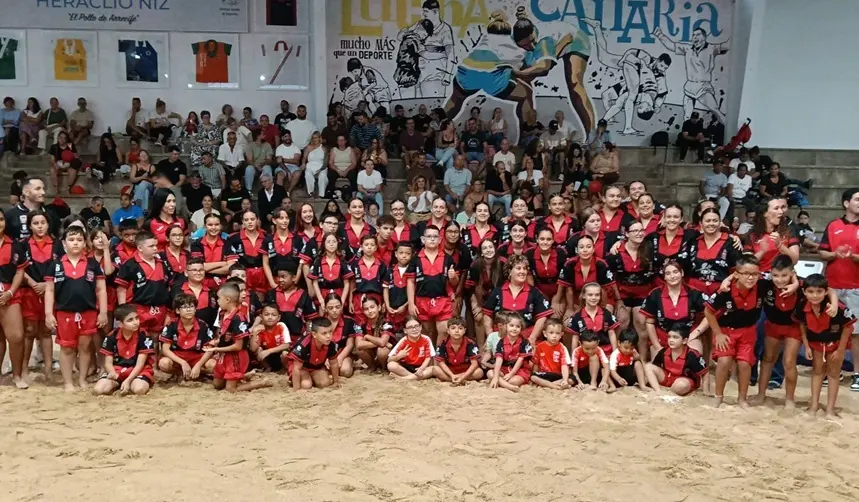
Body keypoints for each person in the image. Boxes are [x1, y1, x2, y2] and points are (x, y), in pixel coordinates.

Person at [44, 226, 108, 392]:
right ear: (64, 243)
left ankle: (82, 379)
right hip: (64, 312)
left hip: (89, 312)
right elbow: (49, 290)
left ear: (84, 243)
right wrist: (49, 313)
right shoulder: (56, 265)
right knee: (66, 348)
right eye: (71, 240)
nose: (75, 243)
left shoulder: (93, 264)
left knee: (85, 347)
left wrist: (103, 312)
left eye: (79, 240)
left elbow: (101, 289)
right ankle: (67, 382)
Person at [704, 254, 766, 408]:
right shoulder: (725, 290)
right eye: (746, 274)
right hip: (726, 331)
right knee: (724, 361)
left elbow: (788, 278)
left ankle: (742, 399)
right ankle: (718, 396)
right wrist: (718, 334)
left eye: (755, 274)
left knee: (745, 364)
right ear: (737, 274)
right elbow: (708, 311)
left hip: (748, 331)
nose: (751, 278)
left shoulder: (763, 286)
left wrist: (794, 285)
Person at [796, 274, 856, 417]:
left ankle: (830, 409)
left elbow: (848, 327)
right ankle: (814, 405)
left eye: (819, 292)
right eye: (810, 292)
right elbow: (801, 325)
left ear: (825, 291)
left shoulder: (837, 307)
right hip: (816, 343)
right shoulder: (802, 305)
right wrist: (807, 345)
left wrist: (841, 350)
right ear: (804, 292)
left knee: (833, 374)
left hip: (835, 343)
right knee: (817, 372)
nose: (815, 295)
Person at [818, 188, 859, 391]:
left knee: (856, 332)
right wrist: (835, 254)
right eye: (857, 199)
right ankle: (832, 370)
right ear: (846, 203)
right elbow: (822, 253)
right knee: (830, 331)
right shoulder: (833, 225)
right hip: (832, 286)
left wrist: (853, 257)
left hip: (855, 287)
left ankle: (857, 374)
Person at [209, 283, 269, 392]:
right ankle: (245, 376)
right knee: (217, 385)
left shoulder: (238, 318)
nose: (217, 301)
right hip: (225, 354)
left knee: (230, 389)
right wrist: (217, 342)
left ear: (227, 299)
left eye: (218, 298)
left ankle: (260, 383)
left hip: (236, 356)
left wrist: (217, 349)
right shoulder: (222, 313)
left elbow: (238, 346)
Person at [483, 254, 552, 346]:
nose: (522, 271)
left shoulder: (534, 292)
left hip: (525, 338)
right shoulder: (497, 291)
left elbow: (542, 317)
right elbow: (487, 315)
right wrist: (490, 337)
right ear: (509, 272)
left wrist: (532, 338)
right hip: (501, 339)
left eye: (525, 268)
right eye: (518, 268)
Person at [20, 212, 56, 382]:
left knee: (46, 331)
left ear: (48, 224)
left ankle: (48, 369)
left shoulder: (57, 245)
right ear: (30, 226)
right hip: (29, 292)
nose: (40, 226)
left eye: (43, 222)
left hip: (50, 292)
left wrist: (47, 285)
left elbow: (60, 268)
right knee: (29, 331)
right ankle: (24, 368)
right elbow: (19, 269)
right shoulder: (23, 245)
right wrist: (33, 283)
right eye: (36, 223)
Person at [116, 230, 172, 335]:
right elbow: (121, 290)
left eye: (156, 245)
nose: (155, 248)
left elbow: (168, 287)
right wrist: (124, 312)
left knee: (156, 338)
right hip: (138, 309)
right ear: (140, 248)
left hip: (160, 308)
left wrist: (168, 311)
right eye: (151, 246)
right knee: (139, 338)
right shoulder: (130, 265)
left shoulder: (162, 263)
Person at [408, 224, 458, 343]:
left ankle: (437, 359)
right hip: (422, 300)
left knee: (444, 330)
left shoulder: (448, 258)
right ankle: (429, 359)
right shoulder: (415, 259)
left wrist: (453, 277)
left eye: (435, 236)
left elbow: (454, 283)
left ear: (440, 239)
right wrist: (411, 303)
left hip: (443, 300)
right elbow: (410, 282)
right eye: (429, 236)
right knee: (427, 332)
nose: (432, 239)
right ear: (423, 239)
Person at [92, 304, 154, 396]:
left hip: (138, 370)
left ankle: (129, 383)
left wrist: (128, 380)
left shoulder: (144, 336)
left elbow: (140, 364)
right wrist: (113, 373)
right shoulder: (111, 337)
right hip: (118, 370)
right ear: (120, 324)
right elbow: (108, 363)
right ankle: (119, 383)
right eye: (130, 320)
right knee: (98, 390)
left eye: (137, 318)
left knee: (139, 389)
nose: (136, 322)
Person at [158, 293, 216, 380]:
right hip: (178, 357)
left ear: (195, 309)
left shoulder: (203, 325)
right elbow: (165, 350)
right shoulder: (171, 325)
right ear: (177, 311)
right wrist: (183, 362)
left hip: (197, 357)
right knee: (163, 363)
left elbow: (209, 350)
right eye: (184, 307)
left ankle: (197, 373)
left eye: (191, 306)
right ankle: (180, 374)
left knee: (214, 365)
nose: (188, 310)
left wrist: (198, 365)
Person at [644, 324, 708, 396]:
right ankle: (658, 391)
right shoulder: (663, 351)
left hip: (685, 380)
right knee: (648, 366)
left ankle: (669, 392)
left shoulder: (692, 355)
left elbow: (705, 372)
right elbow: (655, 366)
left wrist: (704, 391)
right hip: (668, 377)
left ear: (684, 340)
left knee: (681, 385)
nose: (671, 340)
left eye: (675, 337)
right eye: (669, 337)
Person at [288, 317, 340, 390]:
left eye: (330, 332)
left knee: (325, 383)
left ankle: (312, 378)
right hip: (302, 368)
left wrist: (335, 382)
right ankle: (296, 380)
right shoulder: (304, 345)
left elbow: (334, 363)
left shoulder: (331, 344)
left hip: (316, 367)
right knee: (306, 385)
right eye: (324, 333)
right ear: (314, 334)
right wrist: (297, 389)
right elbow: (296, 369)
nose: (328, 336)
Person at [488, 312, 532, 392]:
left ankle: (502, 382)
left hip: (519, 370)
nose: (514, 329)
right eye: (511, 325)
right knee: (490, 373)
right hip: (504, 369)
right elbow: (499, 360)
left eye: (517, 326)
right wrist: (495, 377)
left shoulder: (524, 342)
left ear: (521, 328)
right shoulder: (501, 342)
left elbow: (520, 360)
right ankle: (508, 386)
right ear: (506, 326)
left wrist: (511, 373)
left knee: (514, 381)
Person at [431, 316, 482, 384]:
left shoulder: (470, 343)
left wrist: (463, 377)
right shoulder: (443, 343)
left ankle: (453, 379)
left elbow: (474, 364)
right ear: (448, 331)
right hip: (450, 370)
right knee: (435, 369)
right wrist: (452, 375)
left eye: (460, 328)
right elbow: (440, 362)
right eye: (453, 328)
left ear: (464, 331)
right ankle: (456, 379)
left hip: (465, 370)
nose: (457, 331)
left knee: (479, 372)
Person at [247, 303, 291, 372]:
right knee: (258, 350)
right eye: (267, 314)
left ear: (278, 318)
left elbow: (287, 345)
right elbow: (253, 349)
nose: (270, 317)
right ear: (261, 317)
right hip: (266, 357)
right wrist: (255, 332)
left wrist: (269, 351)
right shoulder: (259, 329)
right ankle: (267, 368)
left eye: (273, 315)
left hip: (278, 354)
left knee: (285, 354)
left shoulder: (281, 326)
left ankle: (284, 371)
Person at [530, 319, 572, 389]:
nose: (554, 336)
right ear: (545, 334)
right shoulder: (539, 347)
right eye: (551, 333)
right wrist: (535, 373)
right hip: (545, 374)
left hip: (558, 375)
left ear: (561, 335)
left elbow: (564, 366)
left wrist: (565, 379)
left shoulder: (562, 348)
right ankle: (557, 387)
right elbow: (536, 364)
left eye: (557, 333)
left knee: (572, 378)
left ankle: (547, 385)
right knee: (533, 377)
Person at [48, 130, 83, 195]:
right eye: (61, 137)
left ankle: (68, 188)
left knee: (73, 171)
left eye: (64, 138)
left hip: (69, 164)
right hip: (58, 164)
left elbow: (76, 156)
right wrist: (55, 165)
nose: (62, 140)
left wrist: (75, 156)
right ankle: (56, 189)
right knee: (52, 170)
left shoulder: (70, 146)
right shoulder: (54, 147)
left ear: (66, 139)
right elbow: (52, 159)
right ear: (58, 138)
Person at [302, 132, 328, 198]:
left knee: (323, 176)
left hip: (321, 166)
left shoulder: (324, 149)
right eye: (313, 138)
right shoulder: (308, 147)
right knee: (307, 174)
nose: (314, 139)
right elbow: (304, 158)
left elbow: (325, 162)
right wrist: (303, 164)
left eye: (316, 138)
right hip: (310, 166)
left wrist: (320, 170)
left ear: (319, 138)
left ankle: (321, 195)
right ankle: (311, 193)